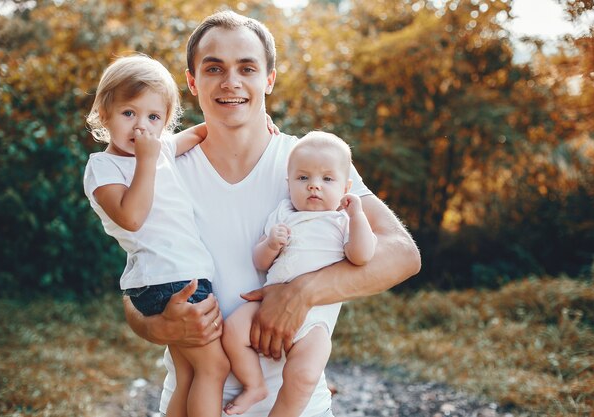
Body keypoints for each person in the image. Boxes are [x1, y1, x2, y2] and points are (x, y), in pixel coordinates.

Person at [122, 10, 421, 417]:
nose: (231, 82)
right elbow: (135, 287)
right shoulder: (158, 169)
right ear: (192, 82)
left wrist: (303, 292)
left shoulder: (313, 164)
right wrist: (157, 327)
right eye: (214, 68)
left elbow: (402, 254)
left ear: (270, 79)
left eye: (247, 67)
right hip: (192, 403)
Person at [82, 54, 230, 417]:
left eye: (153, 117)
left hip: (178, 274)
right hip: (167, 279)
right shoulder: (103, 167)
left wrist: (259, 122)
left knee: (188, 372)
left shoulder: (159, 147)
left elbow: (199, 132)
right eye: (128, 113)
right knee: (215, 369)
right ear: (105, 115)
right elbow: (132, 217)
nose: (141, 128)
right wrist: (147, 161)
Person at [222, 131, 377, 416]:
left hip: (315, 319)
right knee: (232, 331)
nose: (314, 187)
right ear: (288, 183)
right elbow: (260, 262)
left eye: (327, 179)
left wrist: (357, 217)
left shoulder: (342, 221)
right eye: (303, 178)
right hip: (269, 302)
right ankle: (254, 384)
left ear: (346, 188)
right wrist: (270, 244)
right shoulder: (283, 213)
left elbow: (362, 255)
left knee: (304, 375)